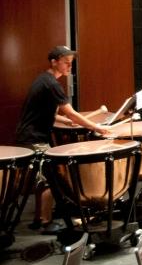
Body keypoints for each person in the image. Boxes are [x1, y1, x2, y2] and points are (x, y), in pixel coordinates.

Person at [15, 45, 110, 232]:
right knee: (52, 178)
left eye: (71, 63)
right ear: (54, 62)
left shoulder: (43, 80)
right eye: (66, 63)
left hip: (28, 136)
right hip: (33, 138)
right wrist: (96, 126)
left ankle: (40, 219)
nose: (69, 67)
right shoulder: (51, 84)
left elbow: (45, 111)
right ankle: (45, 222)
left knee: (44, 179)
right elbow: (71, 112)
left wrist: (64, 121)